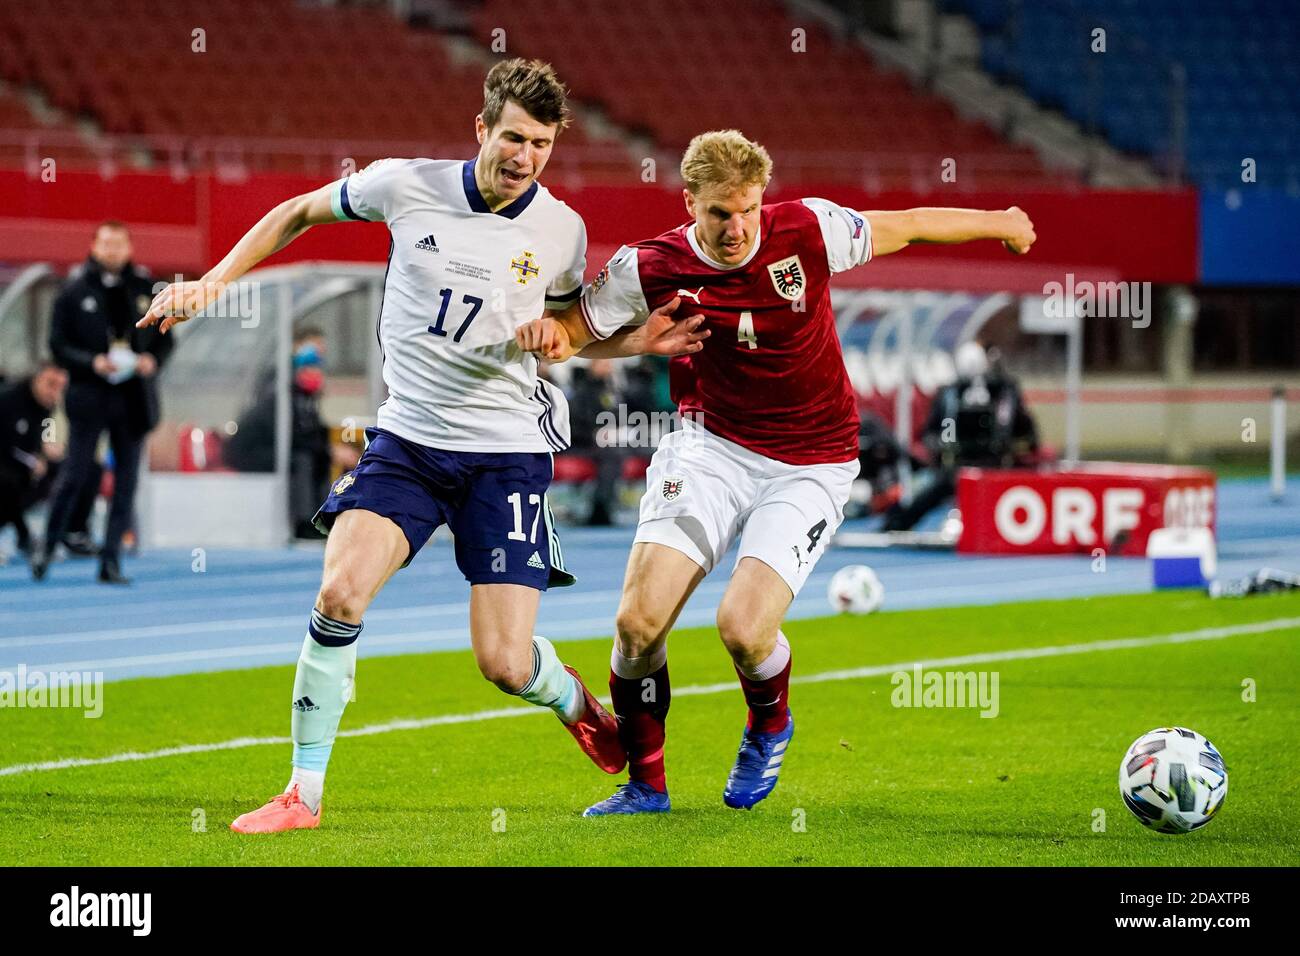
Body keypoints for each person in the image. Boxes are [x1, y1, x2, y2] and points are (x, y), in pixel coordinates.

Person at [139, 59, 706, 834]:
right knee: (338, 594)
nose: (524, 156)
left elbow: (570, 337)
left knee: (505, 665)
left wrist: (634, 342)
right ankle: (302, 794)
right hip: (408, 440)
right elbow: (298, 212)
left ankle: (577, 703)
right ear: (481, 129)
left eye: (540, 144)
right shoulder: (402, 185)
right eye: (512, 136)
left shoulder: (561, 231)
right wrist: (211, 283)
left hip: (506, 454)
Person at [517, 129, 1035, 815]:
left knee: (743, 626)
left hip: (810, 460)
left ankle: (769, 724)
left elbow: (906, 226)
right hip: (708, 448)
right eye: (719, 215)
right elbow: (568, 339)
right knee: (638, 626)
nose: (736, 229)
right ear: (690, 202)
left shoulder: (808, 228)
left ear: (764, 198)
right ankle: (646, 786)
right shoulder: (650, 265)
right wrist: (621, 337)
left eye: (748, 210)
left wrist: (999, 223)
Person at [33, 221, 173, 585]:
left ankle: (111, 561)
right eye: (106, 244)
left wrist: (151, 360)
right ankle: (47, 547)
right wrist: (91, 362)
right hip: (89, 396)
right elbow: (57, 345)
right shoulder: (73, 292)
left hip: (132, 397)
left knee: (125, 482)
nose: (112, 251)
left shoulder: (145, 288)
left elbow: (165, 337)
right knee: (76, 473)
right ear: (94, 247)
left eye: (119, 244)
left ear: (129, 248)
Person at [881, 341, 1039, 531]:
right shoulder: (951, 394)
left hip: (998, 465)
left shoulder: (1004, 391)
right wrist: (946, 445)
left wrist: (1006, 444)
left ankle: (901, 520)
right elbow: (935, 431)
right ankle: (898, 521)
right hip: (957, 466)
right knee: (930, 489)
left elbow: (1025, 433)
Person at [223, 326, 361, 538]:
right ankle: (303, 524)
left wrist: (330, 448)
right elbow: (289, 434)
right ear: (296, 348)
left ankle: (324, 518)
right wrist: (329, 450)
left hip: (277, 445)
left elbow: (311, 427)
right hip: (250, 451)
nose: (318, 358)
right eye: (314, 349)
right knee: (302, 459)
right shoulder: (279, 383)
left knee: (317, 457)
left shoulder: (305, 387)